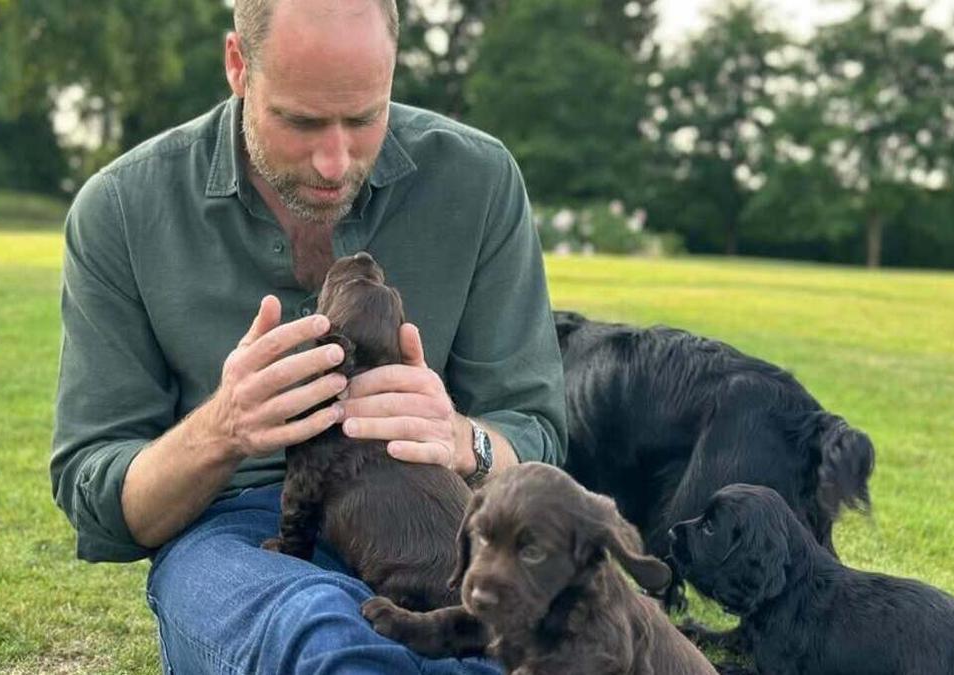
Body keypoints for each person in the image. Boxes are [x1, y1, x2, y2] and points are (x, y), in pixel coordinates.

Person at [49, 0, 567, 671]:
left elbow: (536, 433)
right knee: (329, 644)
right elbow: (97, 493)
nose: (333, 161)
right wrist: (222, 429)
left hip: (435, 525)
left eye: (363, 118)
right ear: (239, 65)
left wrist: (463, 439)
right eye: (300, 121)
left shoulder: (480, 180)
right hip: (242, 533)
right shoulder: (121, 209)